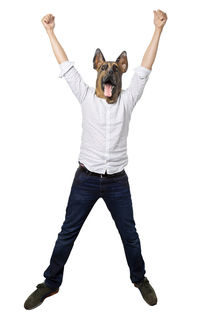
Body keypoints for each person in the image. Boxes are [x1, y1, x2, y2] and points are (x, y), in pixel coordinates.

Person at [24, 9, 167, 310]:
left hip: (117, 182)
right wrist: (50, 31)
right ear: (97, 72)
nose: (109, 73)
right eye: (104, 68)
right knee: (67, 233)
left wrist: (158, 29)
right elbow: (65, 67)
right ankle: (51, 283)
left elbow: (145, 68)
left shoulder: (127, 99)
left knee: (130, 235)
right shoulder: (87, 96)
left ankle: (139, 278)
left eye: (115, 68)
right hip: (86, 179)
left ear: (120, 73)